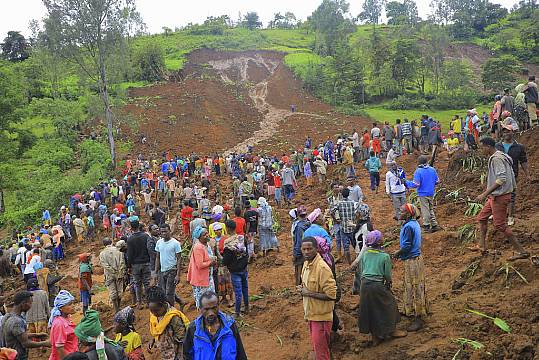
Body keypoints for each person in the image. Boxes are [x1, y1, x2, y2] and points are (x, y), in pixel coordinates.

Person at [475, 137, 529, 260]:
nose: (481, 150)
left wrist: (484, 194)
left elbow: (501, 179)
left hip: (500, 196)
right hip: (495, 196)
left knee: (500, 225)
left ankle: (522, 252)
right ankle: (481, 245)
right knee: (482, 218)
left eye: (482, 147)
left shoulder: (497, 159)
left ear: (488, 146)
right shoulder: (500, 155)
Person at [358, 231, 406, 345]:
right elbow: (387, 275)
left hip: (364, 285)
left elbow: (361, 270)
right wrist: (388, 284)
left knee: (370, 309)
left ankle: (375, 337)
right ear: (379, 242)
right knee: (389, 304)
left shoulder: (365, 254)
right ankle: (391, 330)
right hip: (377, 285)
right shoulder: (384, 256)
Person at [298, 237, 337, 360]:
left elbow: (332, 295)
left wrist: (308, 293)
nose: (306, 252)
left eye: (309, 249)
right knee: (320, 349)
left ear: (316, 249)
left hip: (321, 318)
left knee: (321, 353)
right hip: (312, 314)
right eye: (304, 249)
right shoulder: (306, 264)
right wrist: (303, 290)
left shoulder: (322, 268)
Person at [183, 291, 247, 360]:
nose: (211, 313)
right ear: (200, 309)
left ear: (218, 306)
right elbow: (186, 355)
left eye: (214, 308)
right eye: (206, 309)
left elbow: (240, 352)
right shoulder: (193, 329)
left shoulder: (230, 325)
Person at [394, 204, 428, 332]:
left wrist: (397, 253)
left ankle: (418, 318)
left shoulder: (408, 227)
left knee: (414, 287)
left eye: (402, 211)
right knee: (417, 285)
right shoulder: (414, 223)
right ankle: (413, 310)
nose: (399, 212)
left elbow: (407, 245)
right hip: (416, 258)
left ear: (408, 214)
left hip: (412, 260)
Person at [1, 291, 50, 360]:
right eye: (30, 303)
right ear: (23, 303)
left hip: (8, 355)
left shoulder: (7, 316)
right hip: (17, 356)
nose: (30, 306)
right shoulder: (17, 321)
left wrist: (36, 335)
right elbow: (26, 343)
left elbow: (18, 336)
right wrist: (45, 343)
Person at [496, 123, 528, 226]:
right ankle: (498, 213)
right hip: (499, 174)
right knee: (497, 194)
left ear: (512, 132)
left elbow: (523, 161)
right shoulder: (498, 146)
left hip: (513, 174)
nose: (506, 133)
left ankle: (510, 216)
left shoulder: (519, 147)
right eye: (504, 131)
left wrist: (527, 174)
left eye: (508, 131)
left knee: (511, 195)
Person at [147, 286, 190, 360]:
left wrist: (181, 356)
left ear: (163, 304)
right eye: (152, 311)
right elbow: (156, 329)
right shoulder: (154, 314)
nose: (154, 314)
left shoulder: (173, 317)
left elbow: (182, 337)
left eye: (156, 311)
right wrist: (153, 339)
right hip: (165, 350)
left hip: (175, 352)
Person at [406, 156, 441, 233]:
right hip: (431, 192)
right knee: (430, 208)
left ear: (419, 163)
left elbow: (416, 184)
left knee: (425, 209)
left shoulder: (418, 171)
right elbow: (437, 181)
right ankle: (434, 224)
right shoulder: (432, 169)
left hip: (423, 193)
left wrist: (407, 183)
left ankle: (426, 225)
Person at [221, 220, 249, 317]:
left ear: (228, 229)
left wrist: (222, 260)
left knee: (238, 292)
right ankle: (247, 307)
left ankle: (237, 312)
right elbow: (246, 253)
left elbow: (226, 260)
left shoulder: (227, 243)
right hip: (244, 268)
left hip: (235, 270)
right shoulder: (241, 238)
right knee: (245, 288)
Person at [153, 224, 182, 307]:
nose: (164, 233)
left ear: (170, 231)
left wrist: (178, 275)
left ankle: (171, 310)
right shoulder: (159, 242)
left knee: (169, 293)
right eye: (162, 232)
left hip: (172, 270)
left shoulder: (175, 243)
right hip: (162, 270)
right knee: (163, 291)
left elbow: (179, 258)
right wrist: (155, 272)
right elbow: (157, 257)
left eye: (165, 231)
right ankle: (180, 302)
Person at [187, 227, 216, 309]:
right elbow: (200, 265)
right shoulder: (198, 247)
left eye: (207, 233)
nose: (207, 235)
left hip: (208, 277)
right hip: (201, 279)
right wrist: (211, 262)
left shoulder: (206, 244)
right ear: (199, 237)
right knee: (204, 303)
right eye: (204, 235)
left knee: (210, 300)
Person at [126, 220, 151, 309]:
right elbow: (149, 249)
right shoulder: (146, 236)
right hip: (146, 262)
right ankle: (148, 302)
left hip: (135, 265)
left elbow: (129, 255)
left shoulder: (130, 239)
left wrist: (129, 266)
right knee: (147, 283)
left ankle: (139, 303)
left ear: (131, 228)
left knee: (137, 284)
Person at [99, 238, 126, 313]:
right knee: (119, 291)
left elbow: (105, 265)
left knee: (113, 292)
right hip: (119, 274)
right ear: (111, 242)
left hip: (109, 275)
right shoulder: (118, 251)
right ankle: (119, 306)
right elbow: (122, 262)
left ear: (104, 245)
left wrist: (112, 271)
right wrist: (119, 272)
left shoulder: (102, 253)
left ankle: (116, 309)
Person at [49, 290, 78, 360]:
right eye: (70, 304)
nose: (73, 306)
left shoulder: (66, 318)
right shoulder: (59, 324)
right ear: (61, 308)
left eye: (73, 303)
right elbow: (59, 349)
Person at [333, 188, 357, 265]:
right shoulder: (352, 203)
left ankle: (350, 263)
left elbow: (331, 211)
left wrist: (336, 219)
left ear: (341, 194)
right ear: (348, 194)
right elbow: (357, 212)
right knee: (355, 244)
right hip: (352, 226)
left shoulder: (339, 203)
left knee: (346, 247)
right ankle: (358, 259)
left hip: (343, 227)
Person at [292, 206, 311, 285]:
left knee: (299, 272)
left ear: (298, 215)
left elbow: (298, 242)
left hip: (301, 252)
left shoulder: (299, 227)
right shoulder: (309, 223)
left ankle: (299, 287)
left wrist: (296, 255)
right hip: (310, 250)